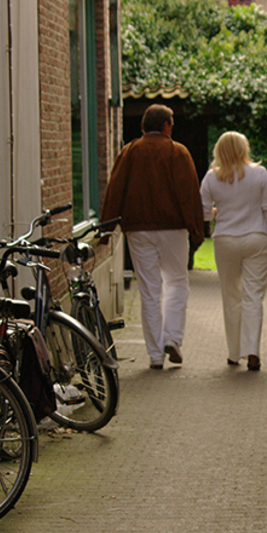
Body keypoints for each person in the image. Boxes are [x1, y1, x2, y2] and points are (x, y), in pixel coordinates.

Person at [101, 104, 204, 369]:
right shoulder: (178, 152)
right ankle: (172, 339)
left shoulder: (130, 152)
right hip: (174, 229)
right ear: (167, 126)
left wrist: (106, 229)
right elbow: (189, 193)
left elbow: (115, 189)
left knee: (149, 290)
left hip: (138, 229)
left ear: (145, 126)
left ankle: (155, 355)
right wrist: (196, 230)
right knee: (177, 283)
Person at [201, 131, 267, 371]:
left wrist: (222, 211)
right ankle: (252, 352)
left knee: (231, 297)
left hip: (225, 240)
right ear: (243, 149)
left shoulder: (210, 178)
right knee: (252, 297)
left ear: (219, 152)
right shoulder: (259, 174)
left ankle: (233, 354)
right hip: (257, 239)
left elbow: (205, 213)